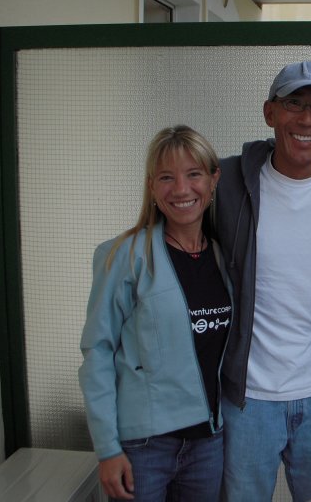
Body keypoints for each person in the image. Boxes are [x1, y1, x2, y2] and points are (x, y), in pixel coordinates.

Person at [213, 61, 311, 501]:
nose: (306, 119)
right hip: (247, 396)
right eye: (294, 104)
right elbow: (176, 223)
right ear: (269, 112)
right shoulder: (226, 185)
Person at [79, 125, 232, 501]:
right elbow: (97, 352)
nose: (181, 189)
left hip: (207, 442)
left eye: (194, 174)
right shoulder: (125, 257)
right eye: (167, 177)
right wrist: (108, 448)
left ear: (214, 179)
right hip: (144, 446)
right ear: (151, 186)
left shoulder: (223, 255)